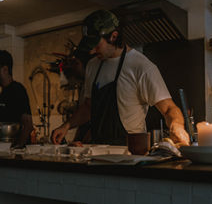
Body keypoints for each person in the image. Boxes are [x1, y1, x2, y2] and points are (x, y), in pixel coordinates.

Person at [51, 9, 190, 146]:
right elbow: (88, 107)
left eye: (96, 45)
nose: (92, 51)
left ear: (113, 36)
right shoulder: (93, 65)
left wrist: (176, 125)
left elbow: (168, 109)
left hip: (129, 153)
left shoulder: (141, 66)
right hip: (96, 151)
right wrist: (66, 125)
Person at [0, 50, 33, 147]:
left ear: (5, 69)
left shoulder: (17, 90)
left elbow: (28, 125)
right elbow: (9, 121)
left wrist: (17, 149)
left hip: (14, 154)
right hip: (5, 151)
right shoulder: (4, 91)